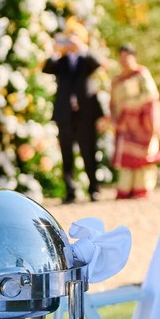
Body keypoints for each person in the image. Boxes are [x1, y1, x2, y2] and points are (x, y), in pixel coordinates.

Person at [42, 28, 103, 202]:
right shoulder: (61, 62)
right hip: (65, 114)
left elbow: (96, 64)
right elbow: (46, 68)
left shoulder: (85, 60)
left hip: (85, 113)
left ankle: (94, 188)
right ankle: (70, 190)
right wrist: (55, 51)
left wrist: (82, 47)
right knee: (66, 153)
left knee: (89, 151)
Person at [109, 45, 160, 199]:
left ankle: (141, 188)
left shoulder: (141, 74)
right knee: (127, 158)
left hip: (142, 123)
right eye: (121, 58)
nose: (124, 61)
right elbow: (114, 102)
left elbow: (150, 95)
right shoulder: (118, 79)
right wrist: (117, 118)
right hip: (125, 124)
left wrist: (130, 105)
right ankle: (125, 188)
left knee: (143, 156)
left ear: (134, 57)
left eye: (127, 57)